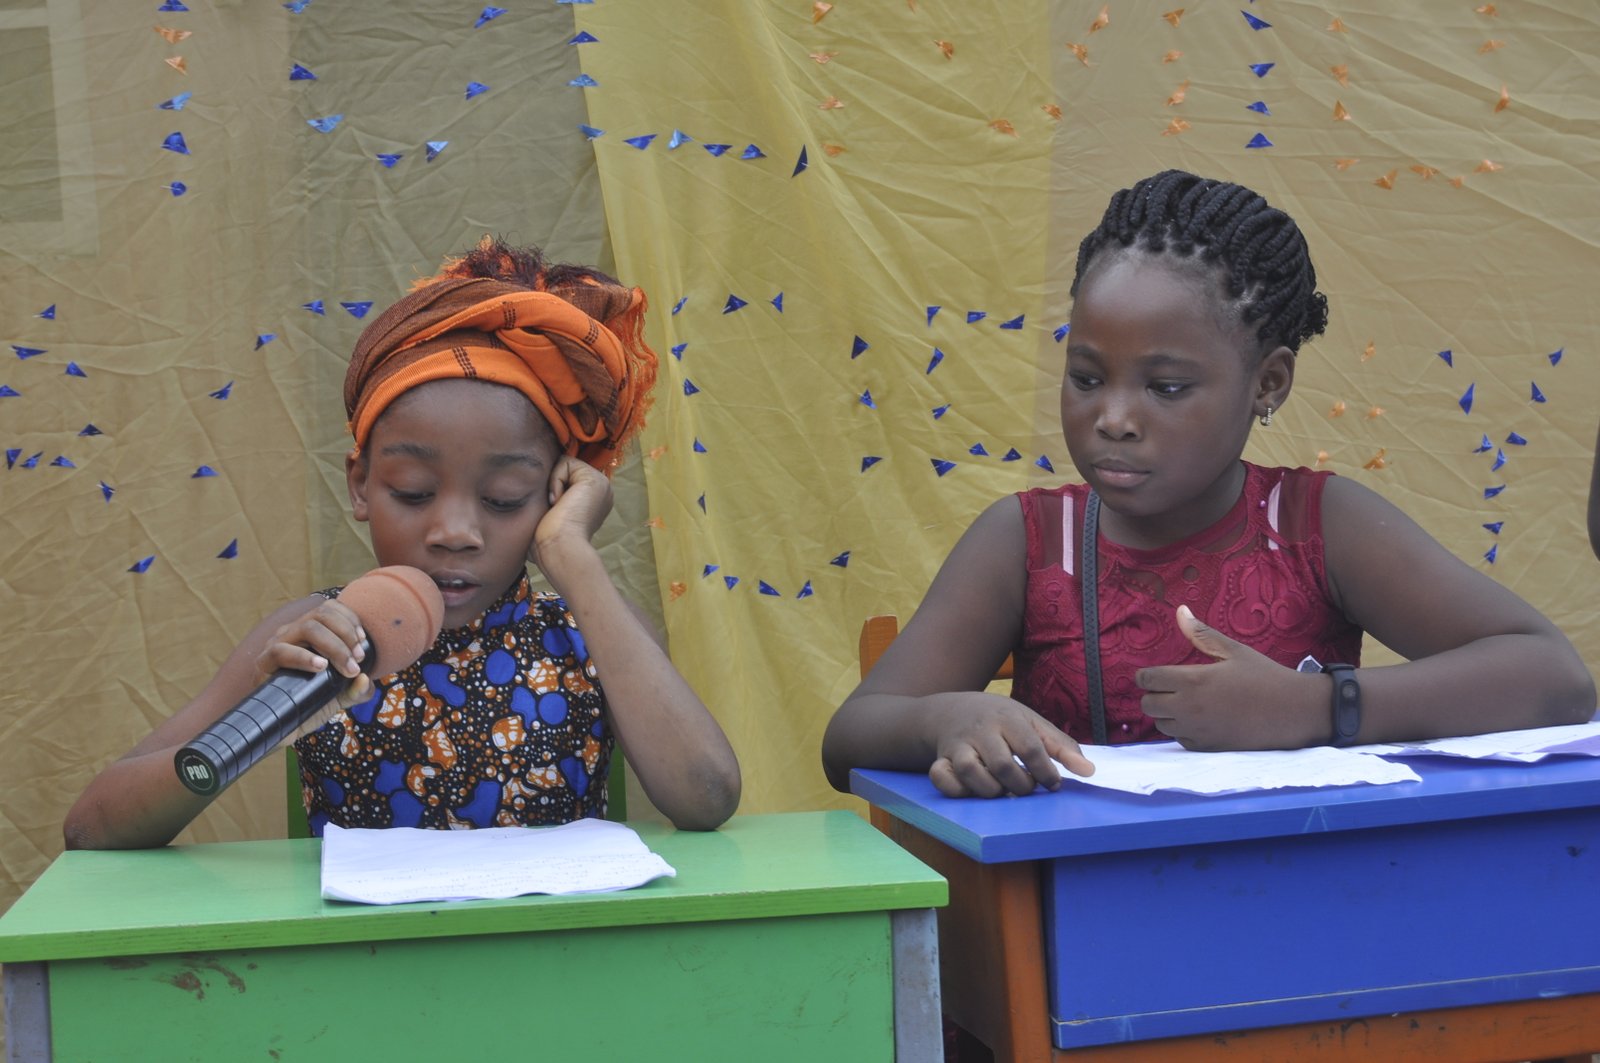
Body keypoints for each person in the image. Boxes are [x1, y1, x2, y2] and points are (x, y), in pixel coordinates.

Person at [822, 169, 1595, 799]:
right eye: (1086, 377)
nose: (1113, 418)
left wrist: (1319, 707)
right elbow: (850, 735)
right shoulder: (1027, 541)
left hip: (1302, 893)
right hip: (1080, 910)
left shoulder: (1317, 525)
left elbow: (1555, 678)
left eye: (1165, 387)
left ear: (1268, 383)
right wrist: (949, 718)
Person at [66, 238, 741, 848]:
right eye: (415, 492)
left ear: (553, 496)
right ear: (361, 486)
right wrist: (256, 724)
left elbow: (706, 796)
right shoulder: (317, 640)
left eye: (504, 498)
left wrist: (573, 555)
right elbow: (91, 827)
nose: (454, 532)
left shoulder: (589, 630)